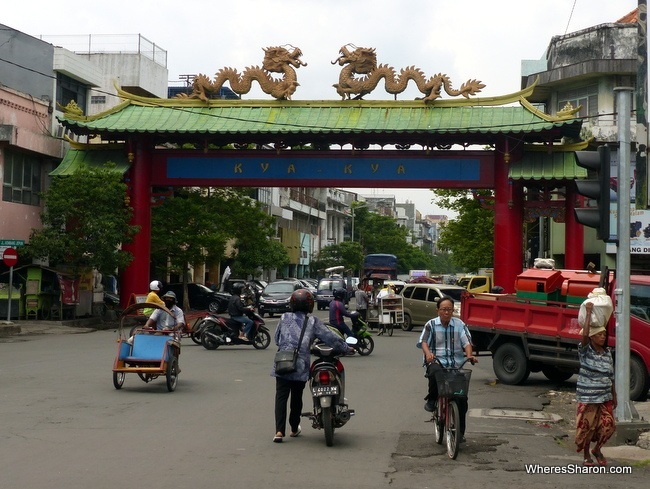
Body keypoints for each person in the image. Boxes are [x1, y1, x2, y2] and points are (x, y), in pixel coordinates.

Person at [272, 289, 350, 443]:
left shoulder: (284, 317)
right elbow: (330, 337)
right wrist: (346, 348)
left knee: (281, 397)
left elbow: (276, 339)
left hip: (282, 361)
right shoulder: (312, 321)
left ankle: (279, 432)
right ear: (310, 305)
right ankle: (294, 428)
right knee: (296, 397)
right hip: (300, 365)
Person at [417, 296, 476, 442]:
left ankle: (460, 433)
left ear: (453, 311)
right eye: (444, 309)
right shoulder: (430, 325)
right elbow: (423, 342)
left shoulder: (459, 324)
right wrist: (428, 354)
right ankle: (432, 399)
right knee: (435, 373)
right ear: (438, 310)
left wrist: (469, 356)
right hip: (436, 361)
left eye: (449, 309)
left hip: (456, 364)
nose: (447, 312)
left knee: (461, 399)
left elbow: (467, 342)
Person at [575, 301, 616, 467]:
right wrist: (589, 312)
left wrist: (615, 395)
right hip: (588, 396)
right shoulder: (586, 351)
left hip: (604, 396)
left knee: (609, 425)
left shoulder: (607, 354)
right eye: (599, 335)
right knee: (588, 427)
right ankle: (586, 455)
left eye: (604, 335)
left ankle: (597, 449)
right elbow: (584, 336)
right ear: (592, 337)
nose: (603, 337)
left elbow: (611, 375)